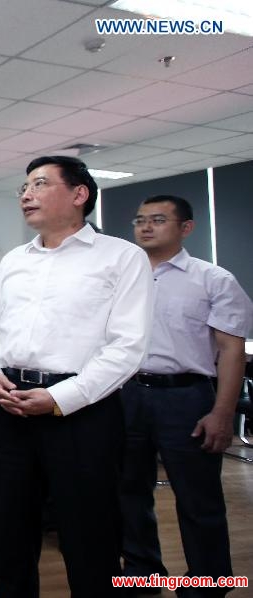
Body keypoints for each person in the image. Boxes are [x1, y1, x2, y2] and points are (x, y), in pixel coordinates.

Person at [0, 155, 154, 597]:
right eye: (23, 187)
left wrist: (59, 398)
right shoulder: (15, 260)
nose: (26, 194)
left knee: (90, 534)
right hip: (9, 403)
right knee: (10, 532)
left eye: (39, 184)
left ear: (79, 194)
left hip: (82, 413)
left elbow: (127, 347)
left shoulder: (122, 258)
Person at [120, 195, 252, 597]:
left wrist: (222, 412)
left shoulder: (213, 279)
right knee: (128, 493)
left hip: (185, 398)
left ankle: (207, 586)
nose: (145, 227)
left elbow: (231, 351)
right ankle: (144, 576)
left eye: (158, 220)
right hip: (126, 396)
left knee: (199, 500)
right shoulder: (122, 276)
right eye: (140, 220)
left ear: (186, 227)